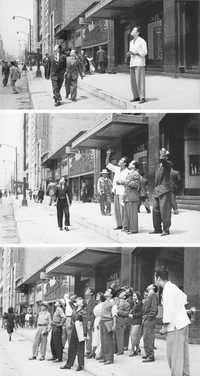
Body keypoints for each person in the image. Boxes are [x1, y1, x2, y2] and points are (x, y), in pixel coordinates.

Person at [155, 270, 190, 376]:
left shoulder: (167, 290)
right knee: (183, 355)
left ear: (158, 278)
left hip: (174, 327)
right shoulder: (173, 287)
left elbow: (168, 311)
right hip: (183, 324)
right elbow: (185, 298)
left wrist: (164, 327)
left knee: (174, 357)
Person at [60, 297, 87, 371]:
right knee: (71, 347)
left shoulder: (83, 311)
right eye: (77, 300)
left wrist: (85, 334)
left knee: (80, 348)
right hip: (74, 328)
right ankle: (69, 364)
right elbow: (70, 302)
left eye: (79, 300)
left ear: (82, 303)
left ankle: (80, 365)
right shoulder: (75, 309)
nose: (77, 300)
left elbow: (85, 323)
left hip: (80, 329)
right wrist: (71, 323)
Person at [151, 148, 173, 236]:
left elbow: (164, 161)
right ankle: (157, 229)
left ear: (166, 156)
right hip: (157, 190)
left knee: (165, 211)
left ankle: (166, 230)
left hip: (164, 190)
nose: (160, 156)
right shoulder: (159, 165)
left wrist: (162, 154)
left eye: (163, 155)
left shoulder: (168, 164)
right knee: (155, 210)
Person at [106, 150, 129, 229]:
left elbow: (128, 182)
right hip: (116, 191)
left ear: (125, 163)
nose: (119, 161)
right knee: (116, 209)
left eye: (121, 161)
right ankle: (119, 225)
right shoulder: (117, 169)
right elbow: (107, 164)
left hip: (123, 192)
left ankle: (124, 225)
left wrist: (122, 182)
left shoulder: (127, 172)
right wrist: (108, 155)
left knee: (122, 209)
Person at [127, 26, 147, 104]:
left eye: (133, 30)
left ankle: (142, 97)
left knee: (140, 80)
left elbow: (145, 52)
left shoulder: (142, 41)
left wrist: (136, 53)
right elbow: (131, 51)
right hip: (132, 62)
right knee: (133, 81)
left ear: (137, 33)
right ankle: (136, 96)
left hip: (139, 63)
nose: (132, 31)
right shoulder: (131, 42)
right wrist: (129, 53)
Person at [122, 160, 141, 234]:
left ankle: (133, 229)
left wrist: (125, 182)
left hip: (132, 196)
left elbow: (136, 185)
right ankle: (127, 227)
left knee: (132, 214)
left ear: (134, 166)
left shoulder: (136, 173)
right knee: (128, 213)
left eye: (130, 163)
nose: (129, 164)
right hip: (128, 195)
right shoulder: (130, 173)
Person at [99, 287, 117, 365]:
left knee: (108, 341)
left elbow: (114, 315)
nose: (105, 291)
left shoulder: (113, 303)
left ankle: (109, 359)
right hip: (102, 321)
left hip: (108, 322)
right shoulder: (105, 302)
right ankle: (105, 357)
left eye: (108, 291)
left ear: (111, 294)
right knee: (103, 341)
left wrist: (114, 325)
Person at [142, 284, 159, 362]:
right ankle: (148, 354)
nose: (148, 285)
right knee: (146, 337)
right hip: (146, 319)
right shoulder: (149, 295)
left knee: (148, 337)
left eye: (150, 285)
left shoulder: (153, 295)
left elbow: (154, 309)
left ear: (153, 287)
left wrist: (148, 317)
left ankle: (151, 356)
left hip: (149, 320)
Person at [114, 289, 130, 355]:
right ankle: (115, 349)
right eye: (121, 293)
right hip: (114, 320)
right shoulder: (116, 301)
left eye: (123, 293)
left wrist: (118, 312)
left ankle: (120, 350)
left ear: (124, 297)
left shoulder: (126, 303)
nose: (121, 294)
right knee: (115, 336)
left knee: (120, 336)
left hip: (121, 320)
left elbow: (127, 313)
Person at [92, 292, 106, 359]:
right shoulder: (98, 304)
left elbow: (103, 314)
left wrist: (100, 322)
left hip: (100, 320)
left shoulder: (103, 304)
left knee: (99, 336)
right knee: (96, 336)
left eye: (98, 295)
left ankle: (99, 353)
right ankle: (95, 351)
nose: (97, 296)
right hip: (96, 320)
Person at [129, 291, 143, 356]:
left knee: (133, 335)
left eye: (135, 296)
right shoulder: (133, 303)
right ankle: (137, 348)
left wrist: (133, 315)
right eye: (133, 296)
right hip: (133, 321)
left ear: (138, 296)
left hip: (137, 321)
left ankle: (132, 350)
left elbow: (141, 313)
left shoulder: (140, 303)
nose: (133, 297)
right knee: (134, 336)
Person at [84, 287, 96, 358]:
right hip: (84, 320)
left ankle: (90, 351)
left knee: (90, 336)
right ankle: (87, 350)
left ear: (91, 293)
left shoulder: (93, 301)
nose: (86, 291)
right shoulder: (85, 301)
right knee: (86, 336)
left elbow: (93, 313)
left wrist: (90, 322)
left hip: (89, 321)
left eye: (88, 290)